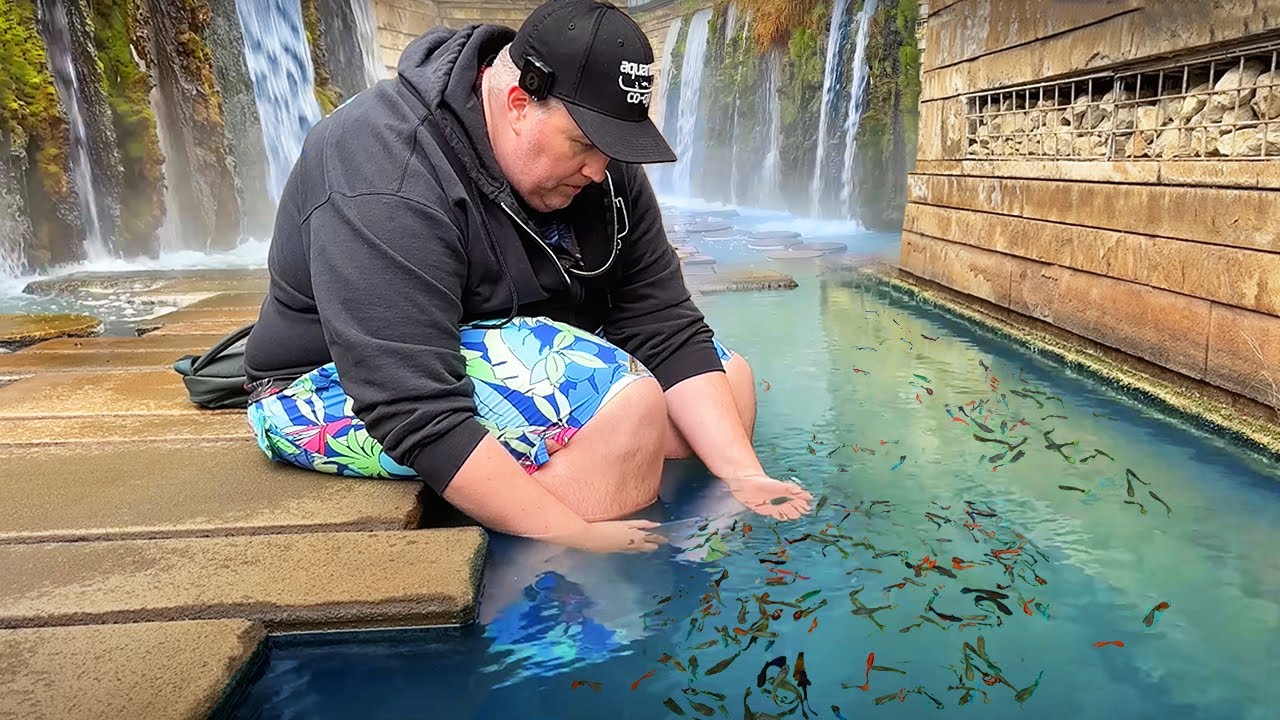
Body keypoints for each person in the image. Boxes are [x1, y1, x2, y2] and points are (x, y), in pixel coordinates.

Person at [243, 0, 812, 554]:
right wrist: (572, 535)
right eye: (584, 144)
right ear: (518, 103)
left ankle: (591, 502)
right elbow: (410, 401)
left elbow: (664, 325)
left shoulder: (600, 166)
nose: (599, 170)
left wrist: (746, 476)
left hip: (490, 351)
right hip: (331, 386)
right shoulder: (385, 164)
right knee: (627, 412)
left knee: (730, 384)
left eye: (612, 148)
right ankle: (536, 573)